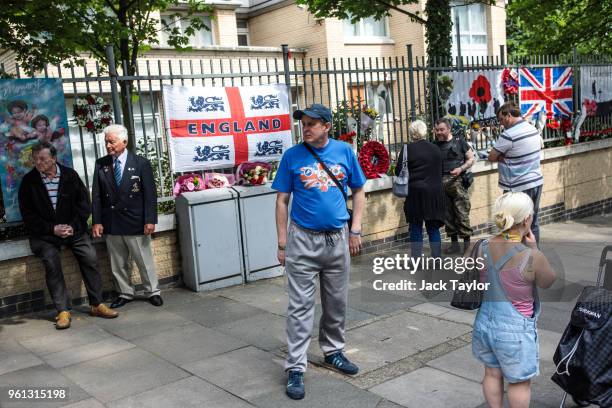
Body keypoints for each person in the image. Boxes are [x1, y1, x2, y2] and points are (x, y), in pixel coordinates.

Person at [272, 103, 366, 400]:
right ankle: (296, 366)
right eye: (304, 123)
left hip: (337, 238)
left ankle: (333, 351)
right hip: (302, 240)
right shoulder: (292, 156)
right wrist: (282, 242)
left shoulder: (344, 152)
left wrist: (356, 230)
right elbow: (282, 201)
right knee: (300, 307)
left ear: (327, 126)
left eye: (312, 123)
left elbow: (359, 190)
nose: (306, 128)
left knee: (336, 302)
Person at [18, 142, 118, 329]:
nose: (38, 162)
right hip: (45, 235)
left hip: (74, 231)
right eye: (36, 159)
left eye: (43, 159)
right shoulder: (29, 182)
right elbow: (28, 215)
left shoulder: (69, 176)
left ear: (53, 159)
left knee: (90, 256)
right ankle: (62, 311)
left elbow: (83, 205)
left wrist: (73, 227)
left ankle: (97, 304)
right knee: (51, 262)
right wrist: (52, 229)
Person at [471, 192, 556, 408]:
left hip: (484, 324)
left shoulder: (480, 246)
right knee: (519, 383)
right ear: (527, 219)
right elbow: (548, 281)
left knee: (491, 373)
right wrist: (535, 249)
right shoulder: (530, 256)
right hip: (515, 332)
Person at [92, 124, 162, 308]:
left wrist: (150, 219)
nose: (108, 146)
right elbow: (97, 195)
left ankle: (152, 291)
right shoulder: (101, 164)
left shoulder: (140, 163)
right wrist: (97, 221)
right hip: (112, 222)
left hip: (136, 221)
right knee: (118, 263)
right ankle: (125, 292)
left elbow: (150, 194)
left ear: (124, 141)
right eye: (106, 142)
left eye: (112, 142)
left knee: (143, 260)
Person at [488, 102, 543, 244]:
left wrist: (503, 156)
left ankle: (514, 257)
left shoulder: (508, 135)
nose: (501, 124)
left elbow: (491, 157)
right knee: (532, 221)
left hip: (517, 186)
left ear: (509, 115)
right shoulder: (532, 129)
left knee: (511, 224)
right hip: (536, 182)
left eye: (501, 119)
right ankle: (534, 255)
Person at [395, 120, 444, 259]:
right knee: (433, 228)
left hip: (415, 193)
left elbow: (399, 171)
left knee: (416, 228)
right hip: (434, 193)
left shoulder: (407, 150)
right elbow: (441, 171)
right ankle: (437, 259)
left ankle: (416, 260)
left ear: (411, 133)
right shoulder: (435, 148)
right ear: (425, 131)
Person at [433, 117, 475, 254]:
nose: (438, 132)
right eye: (436, 130)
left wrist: (461, 169)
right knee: (447, 215)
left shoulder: (459, 142)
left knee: (462, 213)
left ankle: (467, 245)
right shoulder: (434, 145)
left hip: (457, 183)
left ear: (449, 129)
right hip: (440, 184)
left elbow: (471, 159)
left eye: (442, 130)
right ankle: (454, 244)